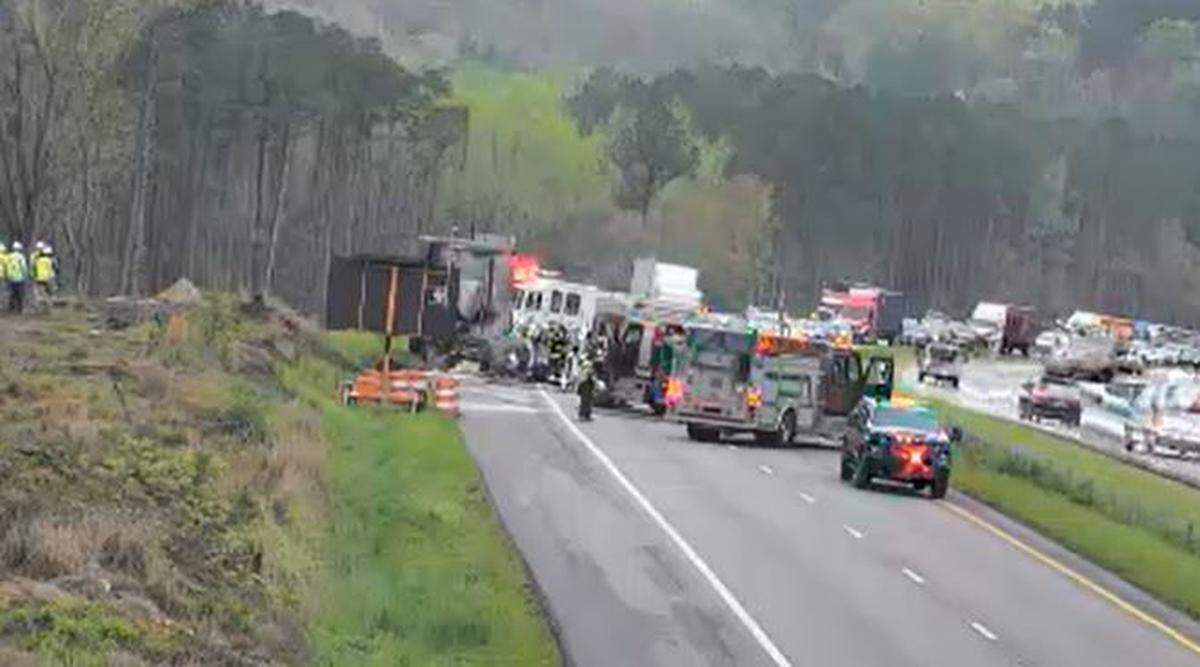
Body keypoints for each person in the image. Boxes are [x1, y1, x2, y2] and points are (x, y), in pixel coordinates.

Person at [5, 241, 27, 314]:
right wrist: (25, 275)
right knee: (19, 294)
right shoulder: (21, 257)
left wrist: (7, 274)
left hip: (11, 277)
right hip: (19, 277)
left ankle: (11, 307)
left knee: (12, 293)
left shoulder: (9, 256)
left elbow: (6, 266)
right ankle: (19, 309)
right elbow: (24, 267)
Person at [31, 243, 54, 312]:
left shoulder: (37, 260)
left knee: (38, 292)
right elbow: (50, 269)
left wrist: (33, 276)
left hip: (39, 278)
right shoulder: (48, 260)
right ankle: (49, 306)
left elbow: (33, 268)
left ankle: (38, 307)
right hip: (47, 278)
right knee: (48, 293)